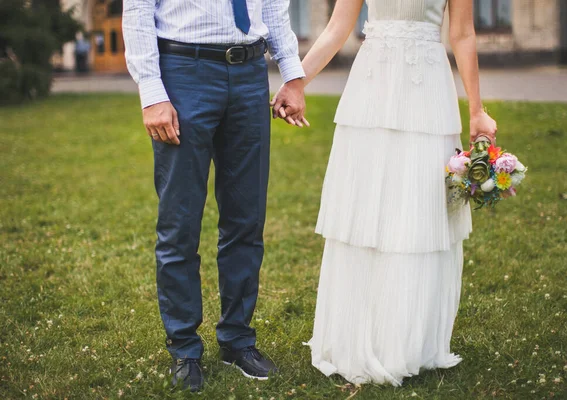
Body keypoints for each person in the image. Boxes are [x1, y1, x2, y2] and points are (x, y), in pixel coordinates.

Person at [275, 0, 497, 385]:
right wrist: (296, 81)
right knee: (366, 210)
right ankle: (358, 337)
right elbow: (336, 28)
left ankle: (408, 342)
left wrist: (477, 110)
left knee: (420, 209)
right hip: (372, 89)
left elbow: (462, 33)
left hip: (427, 91)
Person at [122, 0, 307, 392]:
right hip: (183, 72)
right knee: (180, 223)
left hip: (250, 74)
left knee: (247, 218)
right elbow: (137, 8)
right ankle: (185, 348)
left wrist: (292, 75)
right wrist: (152, 92)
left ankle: (237, 340)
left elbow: (273, 6)